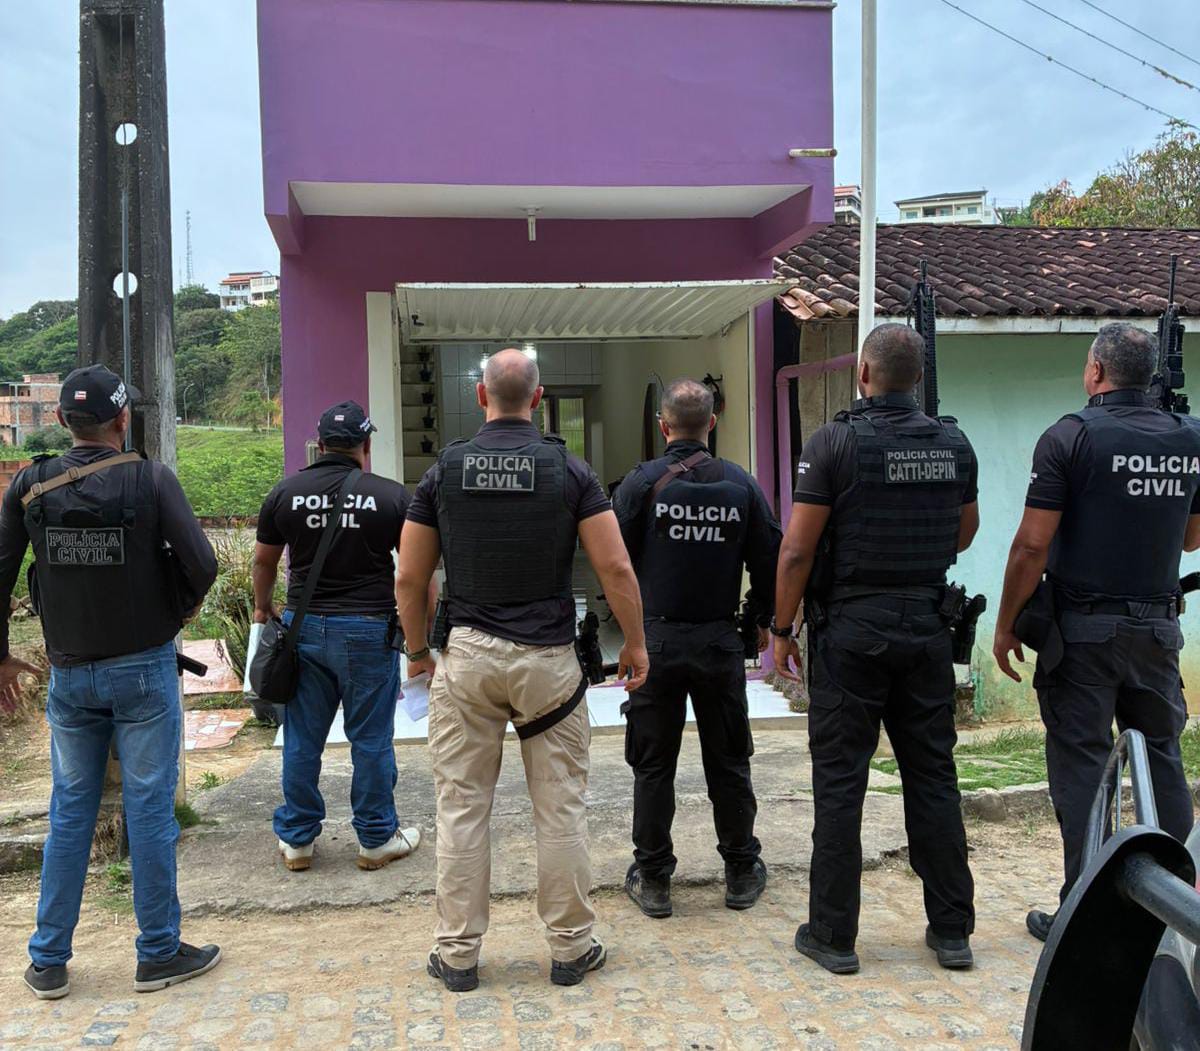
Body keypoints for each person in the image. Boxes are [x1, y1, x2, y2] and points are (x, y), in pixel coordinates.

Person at [396, 348, 648, 993]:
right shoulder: (571, 470)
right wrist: (636, 644)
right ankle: (570, 949)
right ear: (537, 400)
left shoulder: (444, 471)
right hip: (547, 663)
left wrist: (419, 651)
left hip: (468, 656)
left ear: (482, 397)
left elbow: (410, 576)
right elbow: (616, 567)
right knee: (560, 808)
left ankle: (458, 955)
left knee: (461, 808)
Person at [0, 365, 220, 999]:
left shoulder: (29, 485)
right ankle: (158, 952)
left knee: (70, 810)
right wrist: (178, 611)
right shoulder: (150, 479)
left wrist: (3, 657)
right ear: (123, 419)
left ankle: (48, 960)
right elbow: (202, 564)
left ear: (62, 421)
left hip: (69, 675)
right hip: (144, 670)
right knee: (149, 809)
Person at [773, 324, 980, 975]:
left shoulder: (834, 442)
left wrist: (780, 629)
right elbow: (964, 532)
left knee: (840, 783)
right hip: (926, 629)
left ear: (863, 374)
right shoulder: (955, 443)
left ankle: (833, 935)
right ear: (917, 378)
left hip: (852, 632)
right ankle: (952, 930)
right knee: (933, 777)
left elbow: (798, 549)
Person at [994, 322, 1200, 943]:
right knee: (1162, 757)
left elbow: (1032, 545)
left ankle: (1083, 918)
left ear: (1096, 372)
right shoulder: (1190, 437)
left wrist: (1006, 623)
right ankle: (1173, 914)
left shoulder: (1070, 436)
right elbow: (1191, 538)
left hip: (1081, 635)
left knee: (1083, 766)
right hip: (1157, 630)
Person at [611, 378, 781, 918]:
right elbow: (771, 560)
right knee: (729, 760)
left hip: (655, 643)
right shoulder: (741, 484)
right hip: (718, 642)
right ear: (711, 422)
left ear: (663, 426)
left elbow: (614, 564)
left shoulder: (640, 484)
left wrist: (630, 635)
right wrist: (759, 618)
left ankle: (654, 878)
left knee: (653, 764)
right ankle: (740, 870)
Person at [253, 400, 421, 873]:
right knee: (370, 739)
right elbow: (414, 574)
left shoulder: (286, 493)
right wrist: (419, 642)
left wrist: (264, 607)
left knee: (302, 738)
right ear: (366, 445)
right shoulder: (390, 497)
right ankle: (376, 838)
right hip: (369, 630)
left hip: (303, 630)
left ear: (320, 444)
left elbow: (264, 561)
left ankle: (298, 839)